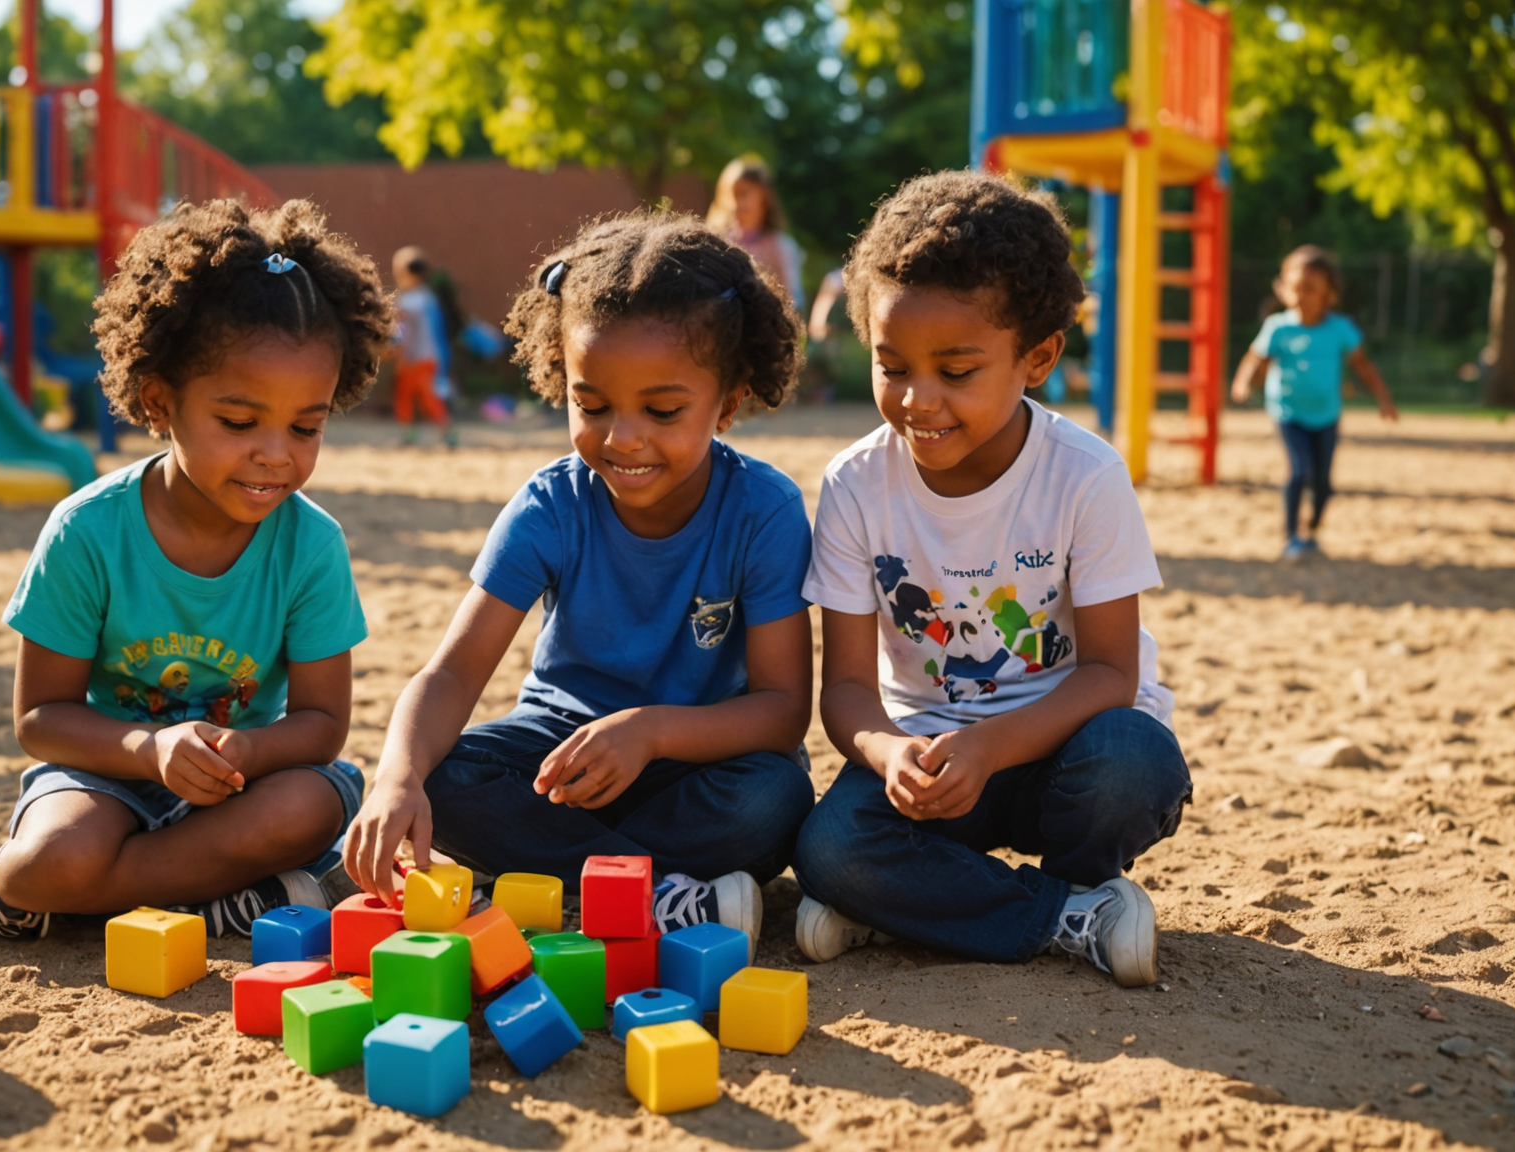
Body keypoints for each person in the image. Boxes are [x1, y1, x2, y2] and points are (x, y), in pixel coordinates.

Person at [0, 200, 393, 939]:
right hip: (105, 779)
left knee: (308, 807)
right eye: (240, 423)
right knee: (48, 861)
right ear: (160, 399)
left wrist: (249, 747)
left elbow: (321, 724)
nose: (277, 453)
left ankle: (108, 900)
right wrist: (148, 751)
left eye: (306, 427)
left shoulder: (311, 545)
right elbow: (38, 719)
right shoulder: (88, 532)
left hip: (239, 786)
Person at [343, 212, 815, 950]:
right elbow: (450, 674)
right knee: (444, 776)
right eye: (591, 406)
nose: (623, 438)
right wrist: (395, 778)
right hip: (560, 760)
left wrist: (651, 731)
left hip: (700, 761)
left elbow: (784, 713)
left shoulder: (765, 509)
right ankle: (660, 893)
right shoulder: (552, 504)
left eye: (662, 411)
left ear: (727, 401)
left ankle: (570, 879)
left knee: (774, 800)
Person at [791, 171, 1190, 987]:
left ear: (1036, 358)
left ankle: (920, 906)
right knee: (831, 849)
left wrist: (991, 747)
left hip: (1066, 760)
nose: (917, 399)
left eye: (957, 370)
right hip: (931, 769)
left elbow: (1114, 674)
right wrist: (889, 751)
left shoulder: (1084, 476)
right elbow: (846, 693)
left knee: (1134, 762)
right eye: (892, 365)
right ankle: (1072, 916)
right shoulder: (854, 484)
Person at [1230, 246, 1399, 562]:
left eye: (1310, 289)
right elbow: (1255, 358)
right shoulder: (1278, 327)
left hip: (1326, 414)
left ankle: (1314, 526)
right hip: (1288, 411)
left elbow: (1363, 366)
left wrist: (1383, 399)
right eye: (1295, 288)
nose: (1301, 296)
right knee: (1299, 472)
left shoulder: (1340, 329)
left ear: (1329, 294)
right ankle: (1292, 538)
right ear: (1282, 288)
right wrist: (1242, 382)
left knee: (1323, 482)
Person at [707, 158, 805, 313]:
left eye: (744, 194)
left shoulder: (779, 245)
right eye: (732, 194)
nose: (736, 202)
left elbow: (794, 298)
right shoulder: (719, 241)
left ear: (764, 198)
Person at [392, 246, 458, 448]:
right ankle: (410, 435)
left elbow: (403, 330)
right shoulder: (425, 298)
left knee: (428, 399)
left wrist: (399, 353)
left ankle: (448, 435)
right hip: (420, 357)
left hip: (420, 358)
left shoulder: (413, 300)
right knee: (405, 396)